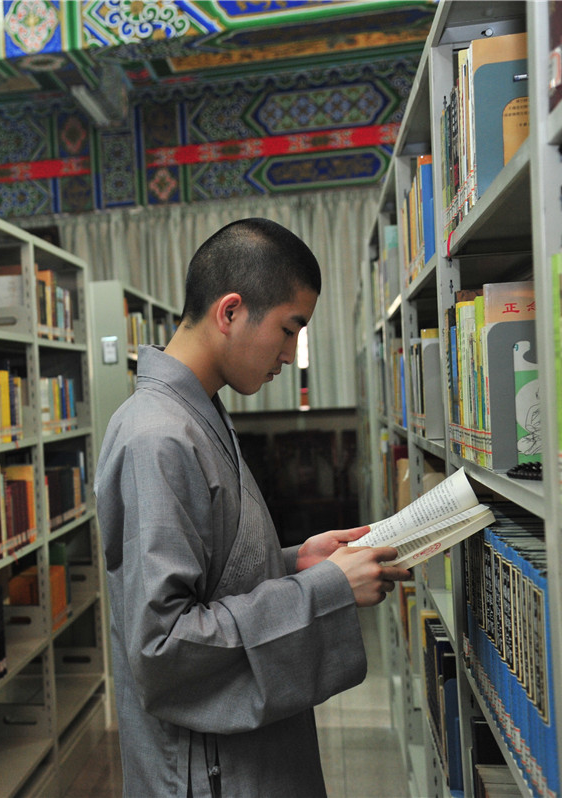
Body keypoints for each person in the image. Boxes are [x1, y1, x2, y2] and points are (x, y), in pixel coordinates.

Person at [95, 217, 411, 797]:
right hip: (210, 772)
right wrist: (327, 590)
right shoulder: (156, 437)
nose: (291, 355)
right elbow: (164, 646)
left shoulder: (197, 411)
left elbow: (211, 571)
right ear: (231, 311)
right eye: (290, 330)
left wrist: (294, 564)